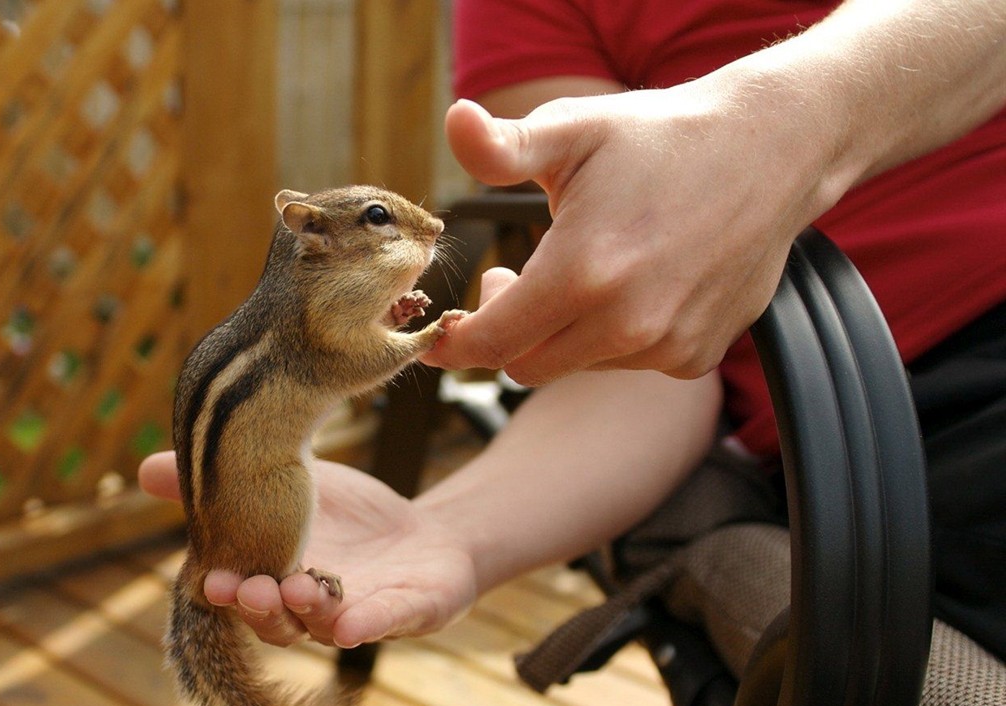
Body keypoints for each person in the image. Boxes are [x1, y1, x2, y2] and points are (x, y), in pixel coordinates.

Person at [140, 0, 1006, 664]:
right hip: (877, 418)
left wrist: (791, 123)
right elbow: (633, 333)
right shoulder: (520, 13)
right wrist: (458, 530)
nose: (424, 238)